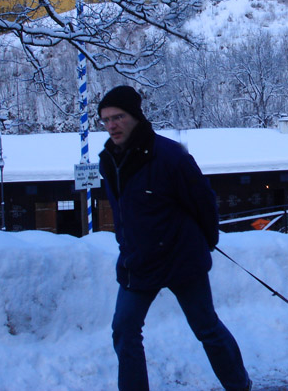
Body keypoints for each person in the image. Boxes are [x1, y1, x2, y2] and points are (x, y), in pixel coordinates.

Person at [97, 86, 251, 391]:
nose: (112, 125)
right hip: (137, 262)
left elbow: (203, 202)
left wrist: (206, 241)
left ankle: (238, 384)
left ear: (136, 117)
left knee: (206, 328)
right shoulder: (107, 160)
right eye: (105, 120)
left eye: (119, 117)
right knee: (124, 330)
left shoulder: (171, 156)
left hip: (181, 260)